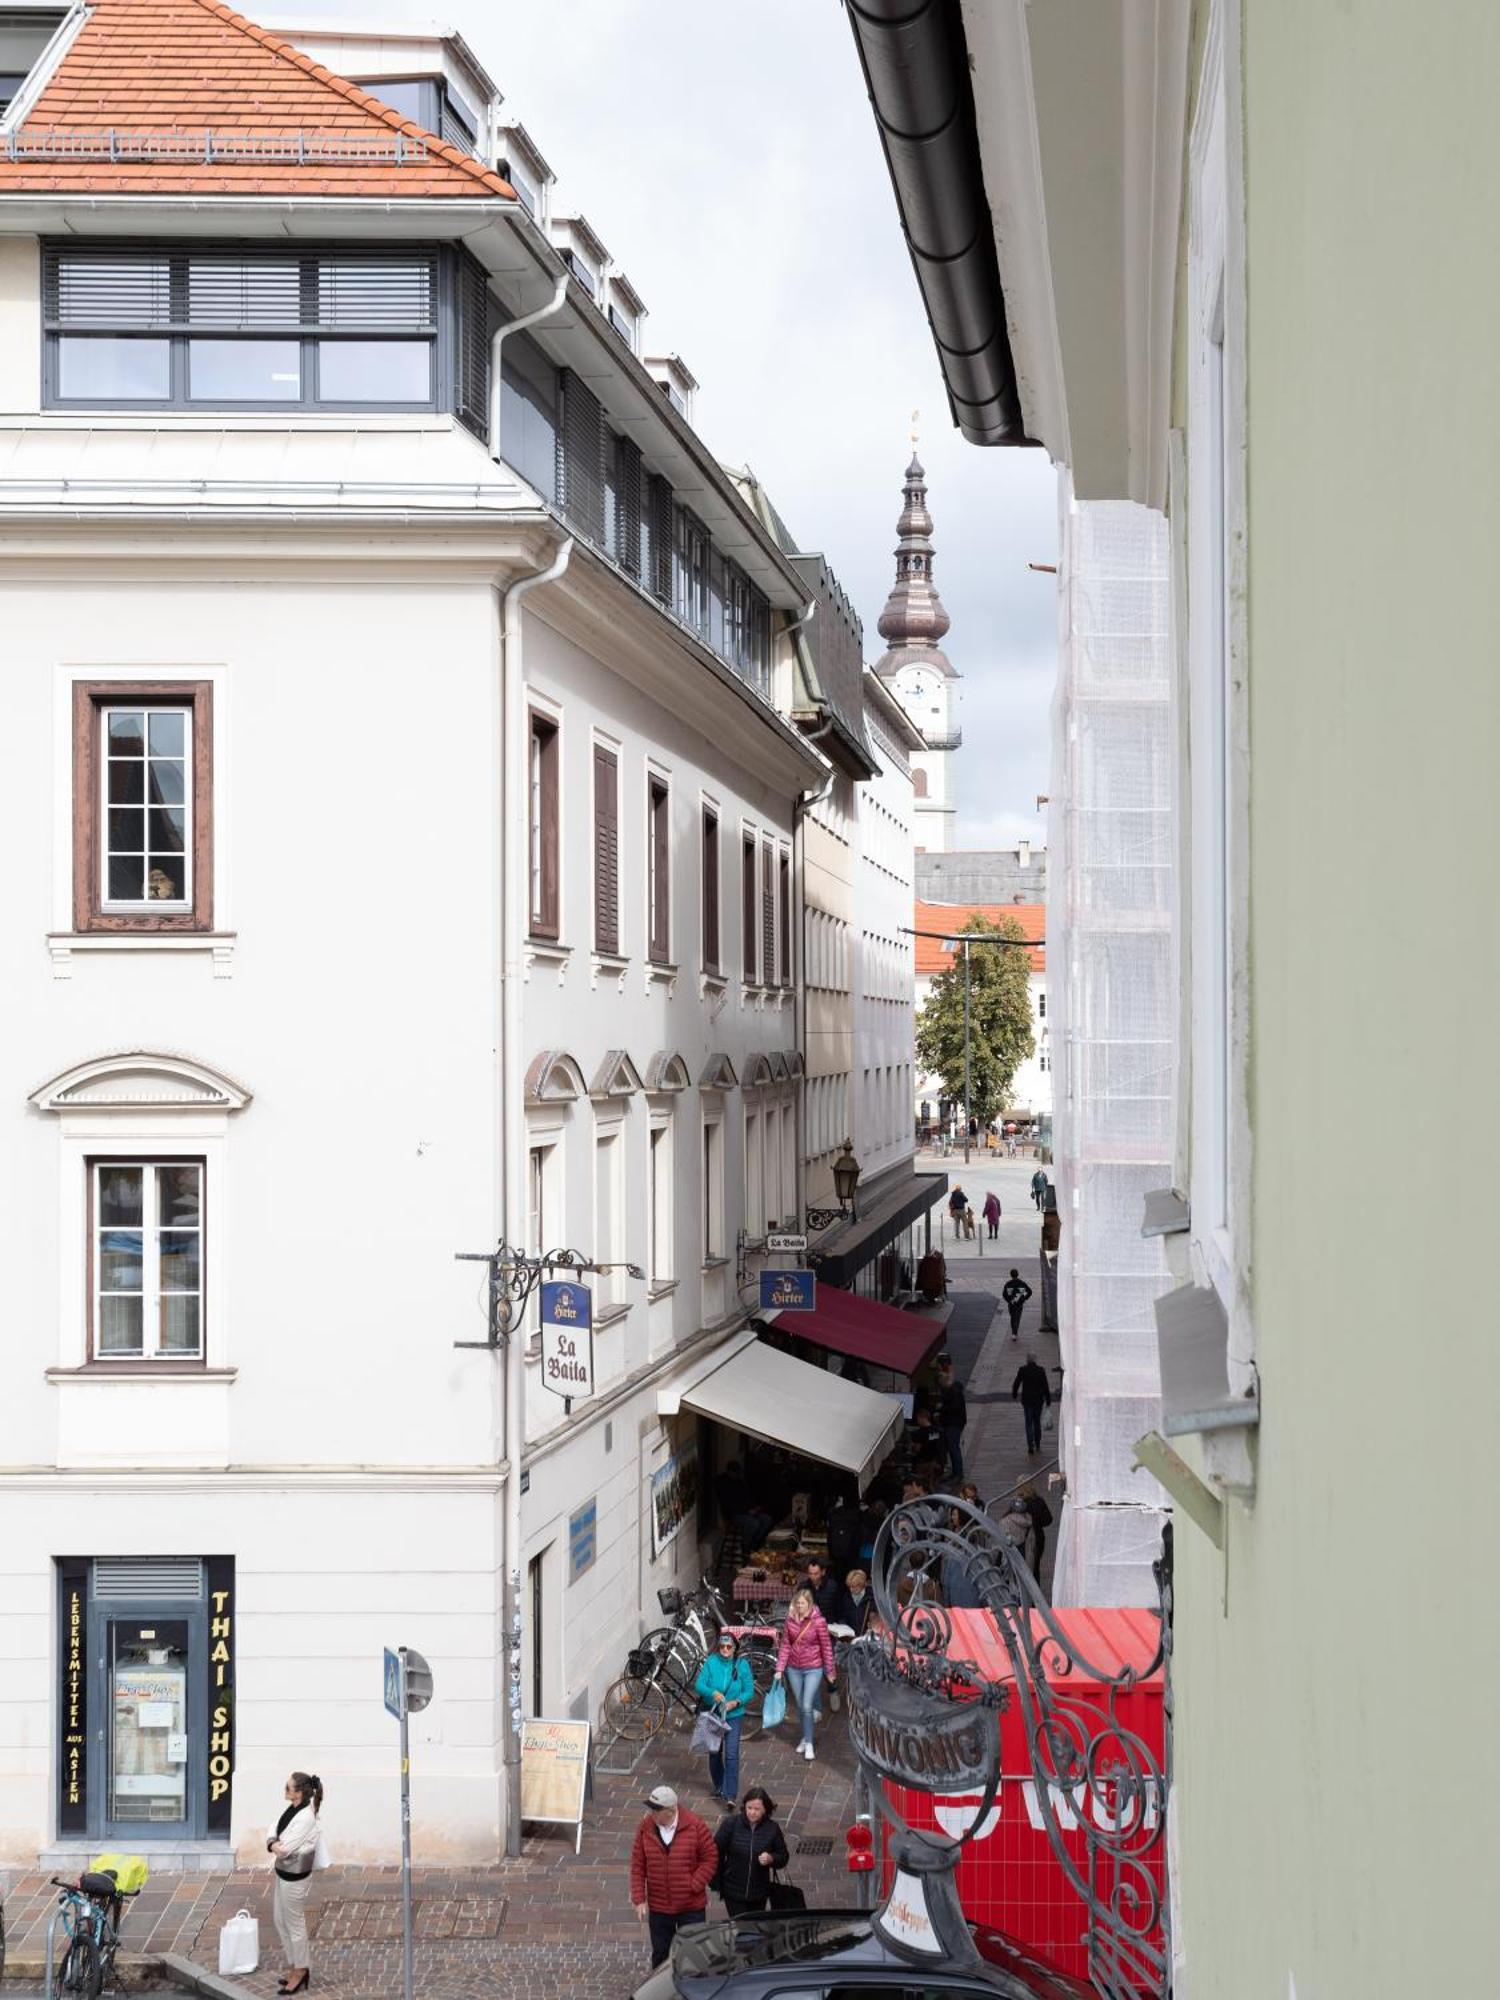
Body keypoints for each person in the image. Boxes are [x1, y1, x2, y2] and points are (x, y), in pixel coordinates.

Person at [631, 1783, 718, 1969]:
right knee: (661, 1955)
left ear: (671, 1810)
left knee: (694, 1955)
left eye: (656, 1810)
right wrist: (639, 1899)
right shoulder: (645, 1828)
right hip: (659, 1907)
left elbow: (710, 1859)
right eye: (651, 1809)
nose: (651, 1814)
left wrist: (693, 1885)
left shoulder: (695, 1826)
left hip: (690, 1907)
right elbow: (638, 1865)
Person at [266, 1770, 324, 1996]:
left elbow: (285, 1848)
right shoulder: (292, 1809)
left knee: (295, 1924)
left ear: (299, 1793)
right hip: (283, 1873)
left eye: (288, 1787)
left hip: (295, 1878)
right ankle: (295, 1965)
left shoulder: (305, 1817)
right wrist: (273, 1842)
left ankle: (301, 1970)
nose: (285, 1790)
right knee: (279, 1920)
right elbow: (273, 1829)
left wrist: (273, 1844)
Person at [773, 1585, 836, 1760]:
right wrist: (780, 1668)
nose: (799, 1607)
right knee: (801, 1706)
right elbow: (786, 1644)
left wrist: (829, 1670)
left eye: (802, 1604)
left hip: (813, 1668)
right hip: (793, 1668)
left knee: (807, 1705)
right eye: (797, 1603)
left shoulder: (818, 1622)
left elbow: (826, 1647)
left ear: (809, 1604)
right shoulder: (790, 1620)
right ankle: (805, 1736)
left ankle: (809, 1744)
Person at [694, 1633, 753, 1806]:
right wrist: (713, 1693)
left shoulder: (742, 1665)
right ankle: (719, 1784)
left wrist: (737, 1702)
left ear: (735, 1648)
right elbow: (699, 1685)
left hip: (734, 1715)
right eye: (722, 1647)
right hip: (713, 1715)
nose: (725, 1650)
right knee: (714, 1752)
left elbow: (748, 1691)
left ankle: (730, 1795)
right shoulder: (711, 1662)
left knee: (732, 1754)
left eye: (729, 1647)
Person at [714, 1787, 790, 1917]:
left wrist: (771, 1858)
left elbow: (783, 1856)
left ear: (765, 1809)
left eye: (757, 1809)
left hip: (759, 1892)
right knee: (739, 1927)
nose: (752, 1813)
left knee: (755, 1929)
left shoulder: (772, 1828)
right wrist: (717, 1882)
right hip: (733, 1890)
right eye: (749, 1808)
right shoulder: (731, 1824)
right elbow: (716, 1852)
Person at [718, 1458, 772, 1553]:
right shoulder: (724, 1485)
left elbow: (747, 1497)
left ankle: (755, 1543)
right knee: (753, 1524)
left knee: (767, 1520)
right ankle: (746, 1545)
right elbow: (730, 1506)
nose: (737, 1475)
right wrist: (746, 1511)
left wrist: (754, 1507)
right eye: (735, 1473)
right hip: (735, 1514)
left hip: (748, 1510)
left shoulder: (740, 1482)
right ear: (729, 1472)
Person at [1012, 1352, 1052, 1455]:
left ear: (1027, 1360)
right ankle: (1038, 1443)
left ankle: (1030, 1445)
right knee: (1036, 1422)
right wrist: (1048, 1399)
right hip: (1038, 1400)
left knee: (1028, 1423)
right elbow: (1045, 1386)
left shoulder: (1023, 1370)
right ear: (1035, 1360)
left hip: (1027, 1400)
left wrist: (1014, 1394)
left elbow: (1017, 1383)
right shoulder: (1040, 1370)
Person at [936, 1360, 968, 1482]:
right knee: (952, 1448)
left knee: (954, 1448)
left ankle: (958, 1474)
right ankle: (955, 1472)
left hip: (954, 1423)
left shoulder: (953, 1392)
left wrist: (942, 1408)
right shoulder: (953, 1389)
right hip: (954, 1422)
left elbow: (954, 1408)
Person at [1018, 1479, 1054, 1579]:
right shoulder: (1039, 1501)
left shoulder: (1018, 1503)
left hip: (1021, 1538)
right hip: (1038, 1536)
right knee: (1035, 1566)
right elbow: (1048, 1520)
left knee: (1022, 1567)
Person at [801, 1557, 844, 1624]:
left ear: (823, 1572)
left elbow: (840, 1609)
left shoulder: (833, 1587)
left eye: (816, 1574)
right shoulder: (803, 1587)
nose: (813, 1577)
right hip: (809, 1626)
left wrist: (840, 1624)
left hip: (829, 1626)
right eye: (810, 1573)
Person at [837, 1568, 874, 1636]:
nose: (851, 1590)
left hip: (866, 1636)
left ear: (862, 1585)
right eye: (850, 1587)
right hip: (851, 1636)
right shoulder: (846, 1598)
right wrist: (842, 1625)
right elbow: (843, 1615)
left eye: (854, 1587)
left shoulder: (871, 1598)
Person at [1002, 1267, 1033, 1341]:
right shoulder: (1022, 1283)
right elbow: (1030, 1291)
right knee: (1017, 1318)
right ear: (1017, 1274)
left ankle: (1014, 1333)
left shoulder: (1008, 1284)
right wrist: (1024, 1298)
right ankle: (1014, 1333)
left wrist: (1009, 1301)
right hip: (1019, 1304)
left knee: (1013, 1318)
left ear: (1011, 1275)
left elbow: (1004, 1294)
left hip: (1011, 1305)